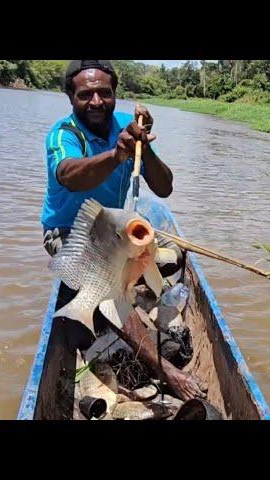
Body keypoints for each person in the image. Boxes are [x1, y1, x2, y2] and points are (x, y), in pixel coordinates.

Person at [40, 60, 206, 400]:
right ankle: (167, 370)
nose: (97, 102)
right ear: (70, 97)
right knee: (107, 284)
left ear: (115, 93)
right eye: (86, 94)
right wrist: (117, 155)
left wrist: (144, 150)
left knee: (164, 254)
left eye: (105, 93)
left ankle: (127, 306)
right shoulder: (64, 134)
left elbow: (164, 188)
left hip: (115, 230)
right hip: (69, 230)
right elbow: (70, 175)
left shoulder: (125, 129)